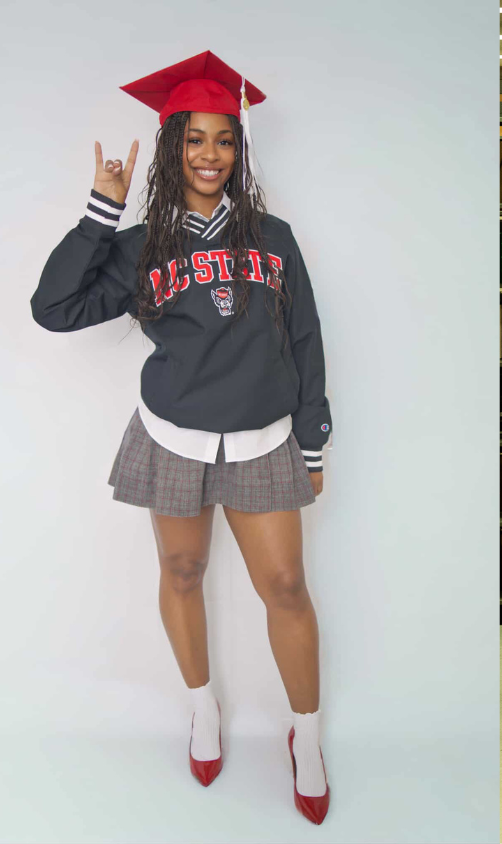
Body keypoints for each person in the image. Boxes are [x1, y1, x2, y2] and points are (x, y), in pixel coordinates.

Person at [30, 51, 331, 824]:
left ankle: (306, 734)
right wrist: (102, 211)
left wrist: (313, 437)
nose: (210, 155)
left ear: (239, 150)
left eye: (224, 140)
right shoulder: (137, 248)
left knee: (287, 588)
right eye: (194, 139)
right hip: (173, 437)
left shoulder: (275, 236)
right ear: (172, 148)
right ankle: (202, 707)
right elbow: (54, 309)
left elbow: (304, 338)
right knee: (185, 570)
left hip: (263, 437)